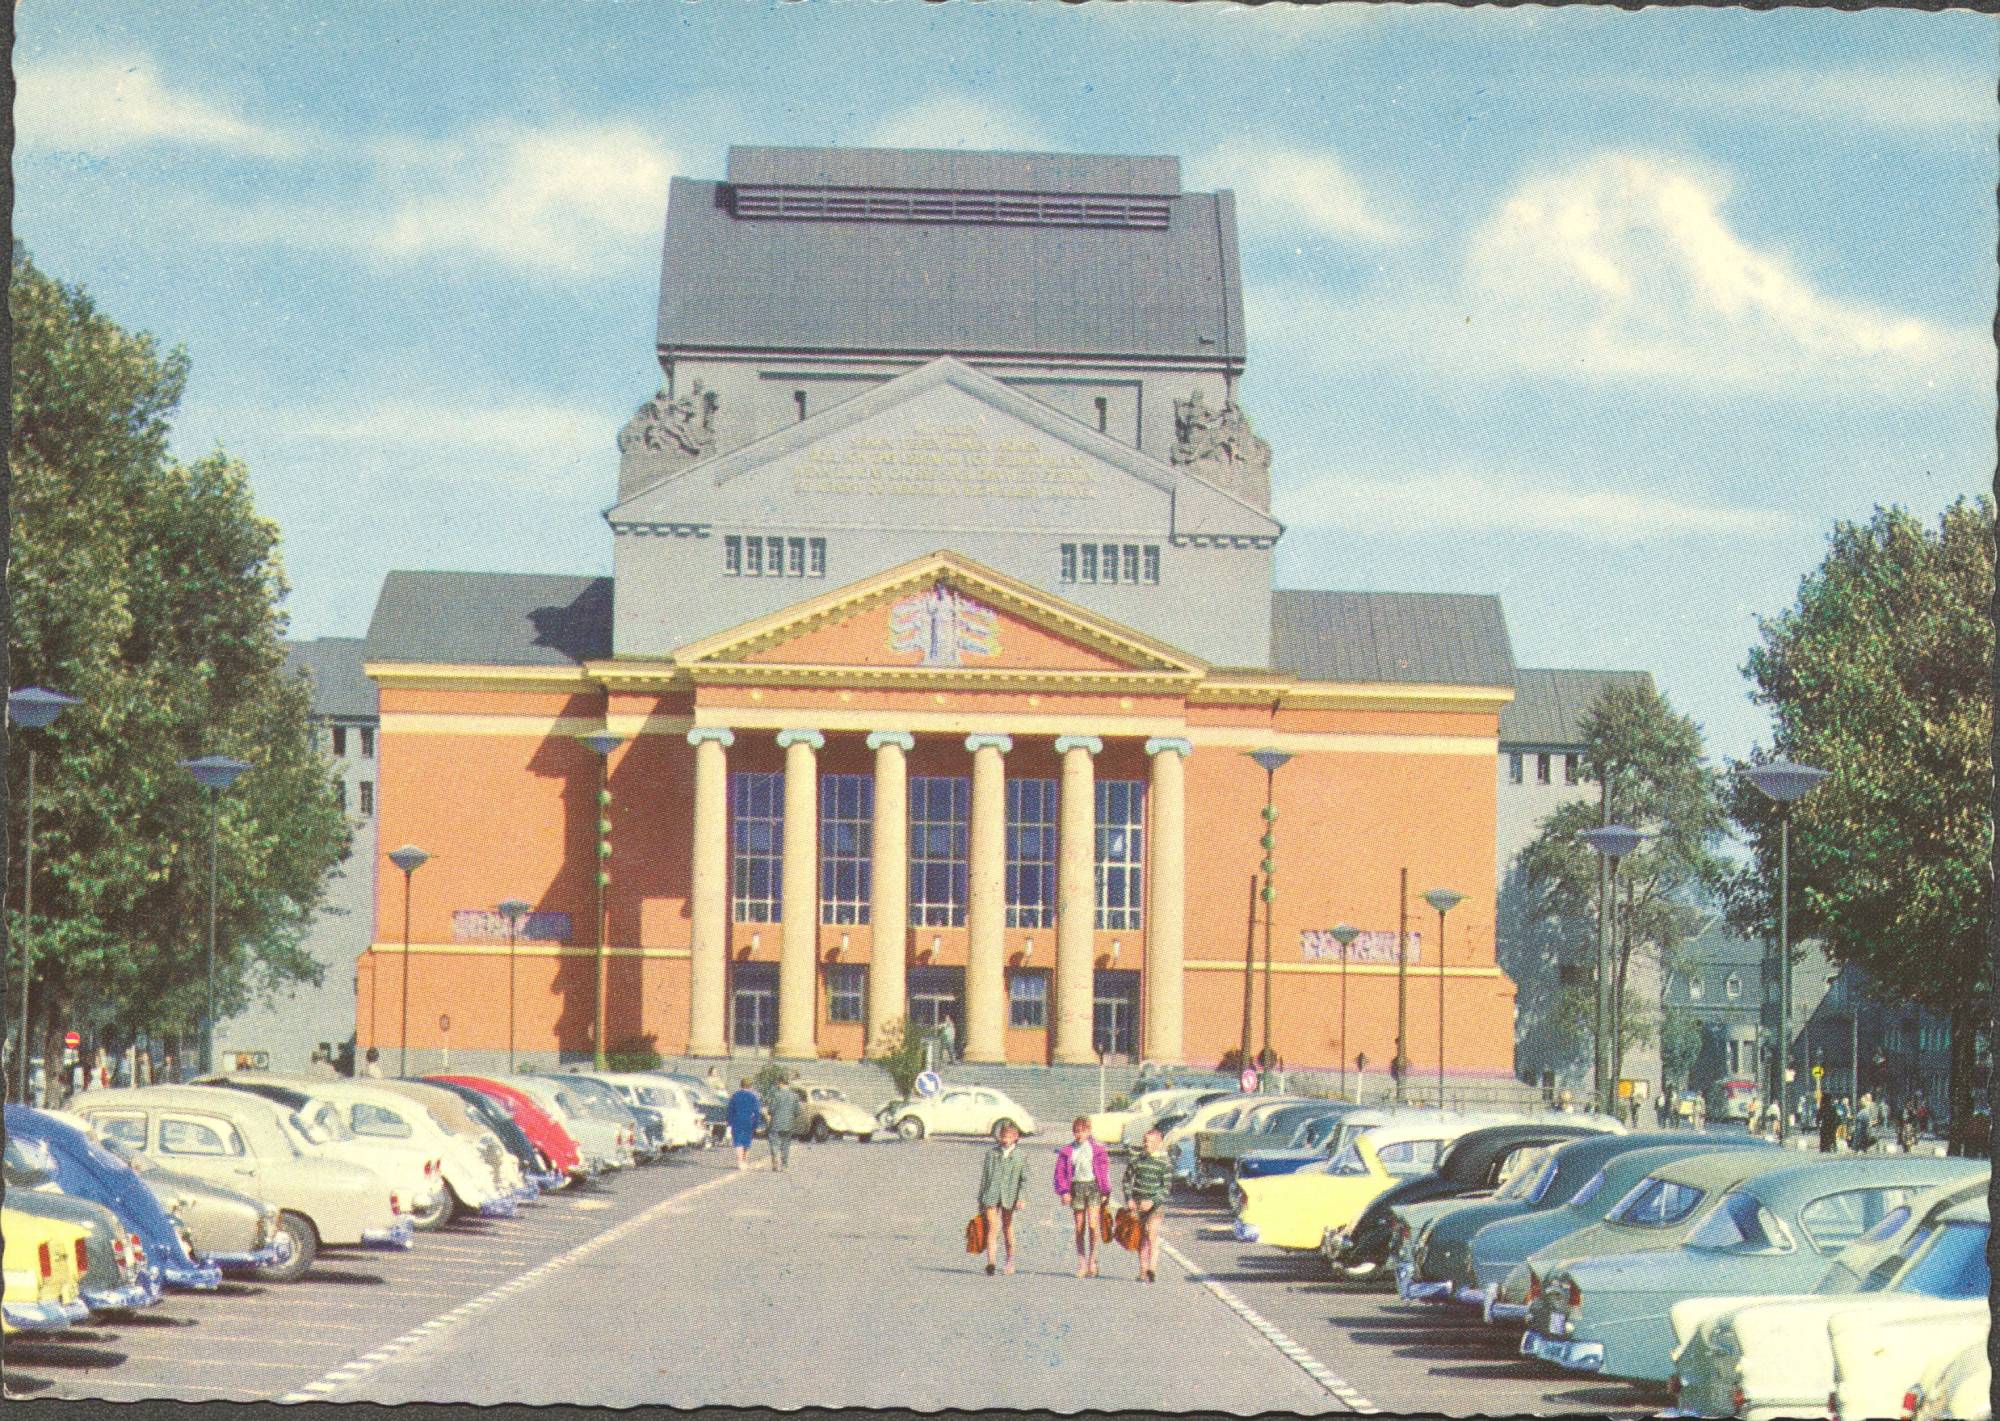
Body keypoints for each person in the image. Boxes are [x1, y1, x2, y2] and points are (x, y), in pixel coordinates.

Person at [1054, 1116, 1110, 1278]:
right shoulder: (1068, 1151)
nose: (1079, 1134)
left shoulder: (1097, 1150)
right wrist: (1064, 1191)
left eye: (1083, 1131)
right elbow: (1061, 1173)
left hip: (1093, 1187)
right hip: (1077, 1188)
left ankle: (1093, 1259)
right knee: (1080, 1226)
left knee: (1093, 1225)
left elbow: (1103, 1171)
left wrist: (1106, 1191)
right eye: (1076, 1131)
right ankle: (1082, 1262)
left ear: (1089, 1132)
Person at [1122, 1125, 1173, 1284]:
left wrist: (1152, 1201)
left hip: (1155, 1204)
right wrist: (1129, 1198)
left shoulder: (1164, 1163)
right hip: (1138, 1202)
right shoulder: (1137, 1160)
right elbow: (1126, 1181)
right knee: (1141, 1236)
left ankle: (1152, 1268)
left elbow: (1166, 1188)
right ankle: (1143, 1270)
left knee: (1152, 1234)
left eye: (1150, 1142)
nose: (1146, 1144)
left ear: (1159, 1143)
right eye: (1145, 1141)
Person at [977, 1119, 1027, 1276]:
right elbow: (985, 1177)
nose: (1005, 1140)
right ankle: (991, 1262)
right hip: (991, 1195)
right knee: (992, 1227)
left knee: (1007, 1227)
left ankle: (1010, 1260)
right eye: (1002, 1137)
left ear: (1015, 1137)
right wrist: (981, 1199)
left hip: (1009, 1196)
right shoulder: (992, 1154)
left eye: (1008, 1137)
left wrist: (1021, 1198)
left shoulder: (1020, 1156)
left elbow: (1024, 1180)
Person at [727, 1076, 763, 1171]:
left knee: (738, 1142)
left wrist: (729, 1123)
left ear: (741, 1085)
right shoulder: (753, 1097)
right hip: (748, 1121)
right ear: (750, 1086)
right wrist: (757, 1124)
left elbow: (730, 1111)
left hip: (737, 1120)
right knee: (746, 1142)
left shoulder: (735, 1096)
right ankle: (744, 1161)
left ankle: (740, 1162)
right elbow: (756, 1112)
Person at [765, 1082, 801, 1172]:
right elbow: (797, 1112)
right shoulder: (795, 1096)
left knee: (774, 1143)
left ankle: (775, 1161)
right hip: (789, 1123)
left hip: (776, 1123)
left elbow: (771, 1109)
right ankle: (784, 1165)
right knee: (786, 1144)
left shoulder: (775, 1095)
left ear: (781, 1084)